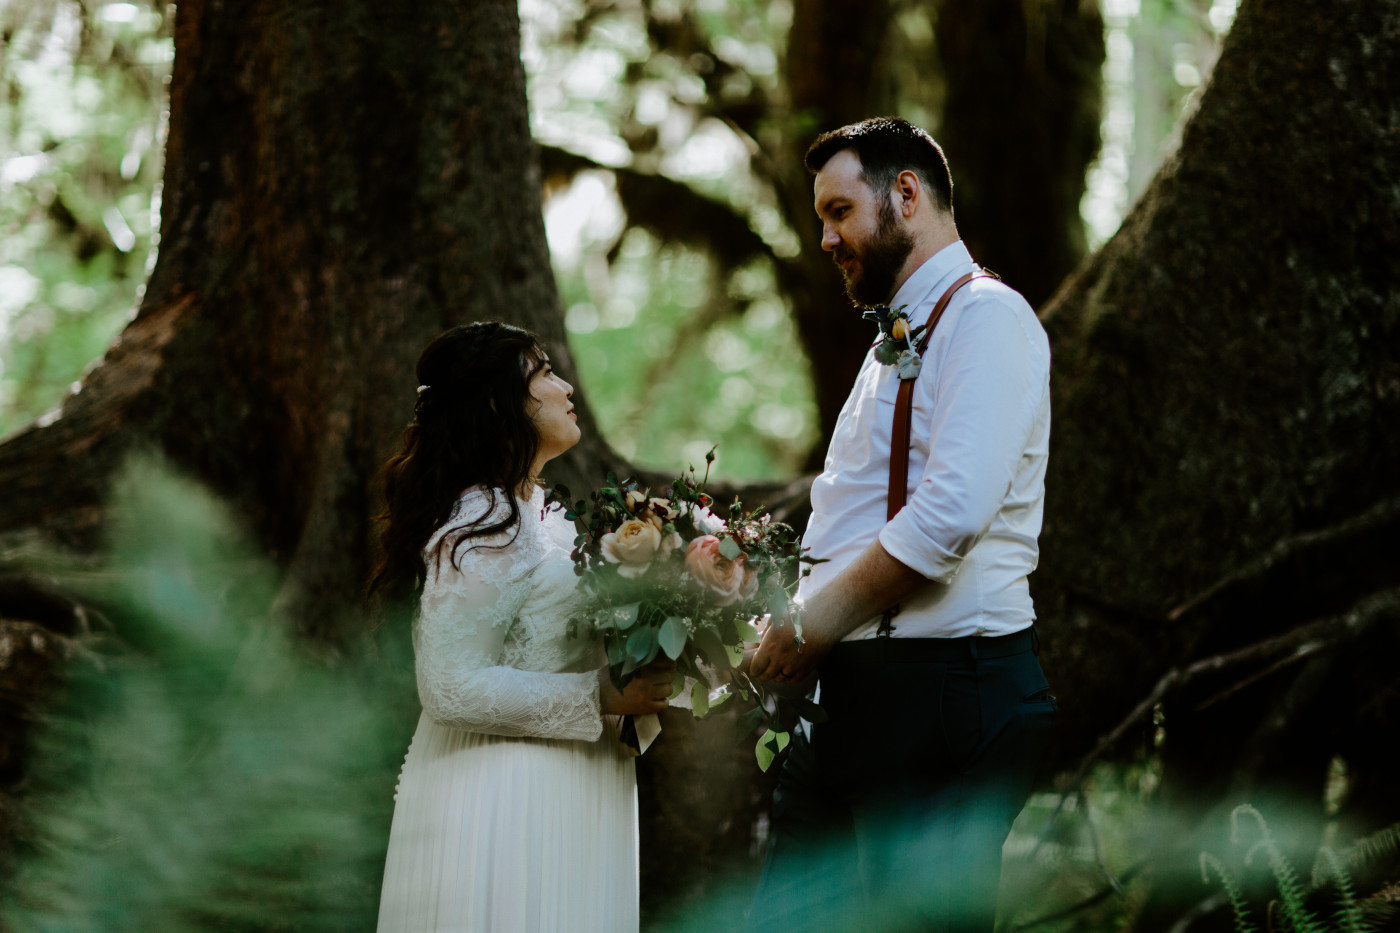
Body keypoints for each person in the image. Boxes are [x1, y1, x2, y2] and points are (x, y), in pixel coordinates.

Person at [747, 117, 1057, 932]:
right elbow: (856, 506)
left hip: (947, 691)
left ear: (908, 195)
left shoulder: (987, 318)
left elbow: (950, 516)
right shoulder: (897, 331)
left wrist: (813, 623)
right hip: (858, 694)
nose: (825, 237)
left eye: (839, 210)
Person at [371, 321, 675, 933]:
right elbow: (450, 684)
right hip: (506, 800)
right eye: (544, 375)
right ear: (496, 403)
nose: (566, 389)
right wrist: (601, 695)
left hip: (572, 788)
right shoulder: (484, 516)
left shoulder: (543, 512)